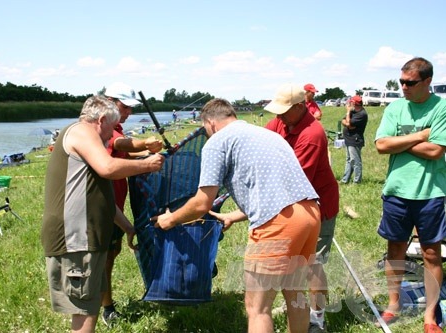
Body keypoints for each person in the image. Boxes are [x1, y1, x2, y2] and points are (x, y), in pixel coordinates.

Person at [153, 98, 321, 333]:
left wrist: (169, 219)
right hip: (310, 213)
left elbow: (202, 202)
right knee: (294, 293)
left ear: (210, 123)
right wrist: (234, 215)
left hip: (278, 223)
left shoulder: (217, 141)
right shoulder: (266, 134)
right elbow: (273, 188)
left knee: (257, 308)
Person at [41, 95, 164, 333]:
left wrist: (128, 228)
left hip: (87, 239)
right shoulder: (82, 132)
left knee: (92, 302)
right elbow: (108, 168)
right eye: (112, 128)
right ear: (102, 119)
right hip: (75, 239)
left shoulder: (93, 145)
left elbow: (104, 199)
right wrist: (148, 164)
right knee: (84, 311)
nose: (112, 135)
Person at [375, 57, 446, 333]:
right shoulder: (395, 108)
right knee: (395, 250)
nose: (403, 87)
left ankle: (430, 316)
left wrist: (399, 143)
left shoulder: (442, 108)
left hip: (430, 192)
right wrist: (421, 135)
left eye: (410, 82)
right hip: (396, 191)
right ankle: (394, 304)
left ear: (427, 82)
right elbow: (381, 145)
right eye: (401, 81)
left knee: (431, 253)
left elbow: (435, 151)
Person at [265, 83, 339, 333]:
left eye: (284, 111)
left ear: (300, 107)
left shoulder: (312, 134)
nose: (279, 116)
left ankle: (318, 317)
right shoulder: (282, 121)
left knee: (312, 263)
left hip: (317, 205)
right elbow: (264, 143)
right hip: (292, 204)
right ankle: (297, 306)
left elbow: (293, 179)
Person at [101, 82, 163, 326]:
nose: (128, 113)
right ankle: (106, 309)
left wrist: (151, 154)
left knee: (111, 254)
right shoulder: (104, 129)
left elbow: (126, 154)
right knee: (104, 258)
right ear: (111, 103)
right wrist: (145, 144)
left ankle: (103, 303)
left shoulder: (115, 125)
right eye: (125, 107)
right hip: (103, 207)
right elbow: (121, 145)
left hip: (115, 206)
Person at [340, 95, 368, 184]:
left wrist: (348, 113)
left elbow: (349, 123)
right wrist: (347, 123)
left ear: (354, 103)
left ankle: (357, 181)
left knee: (355, 161)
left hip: (355, 140)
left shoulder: (362, 114)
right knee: (349, 160)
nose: (349, 103)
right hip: (348, 139)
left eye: (351, 102)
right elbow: (344, 121)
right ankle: (345, 180)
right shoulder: (353, 111)